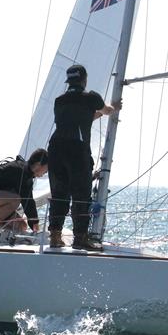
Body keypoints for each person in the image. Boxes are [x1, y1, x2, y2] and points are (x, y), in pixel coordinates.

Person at [48, 64, 120, 250]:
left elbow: (79, 119)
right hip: (76, 150)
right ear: (84, 79)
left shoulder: (59, 101)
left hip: (55, 149)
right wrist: (114, 107)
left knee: (59, 195)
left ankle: (55, 236)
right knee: (81, 195)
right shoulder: (91, 97)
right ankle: (80, 238)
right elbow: (105, 110)